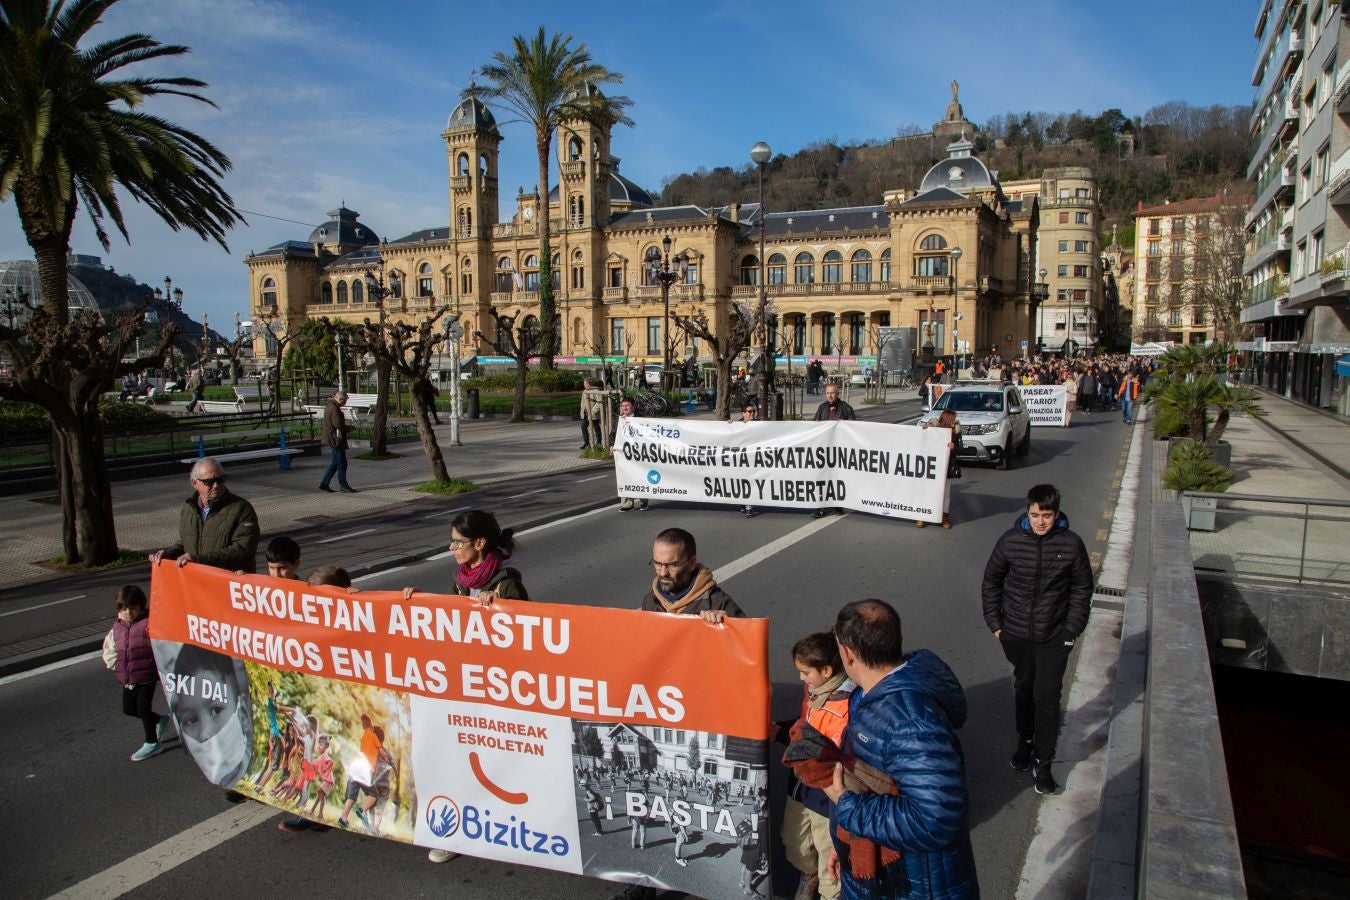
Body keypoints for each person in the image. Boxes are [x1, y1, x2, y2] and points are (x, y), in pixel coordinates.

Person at [823, 599, 979, 899]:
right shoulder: (870, 695)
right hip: (879, 872)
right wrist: (845, 844)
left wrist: (847, 806)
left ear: (848, 653)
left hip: (912, 885)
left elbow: (934, 819)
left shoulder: (912, 722)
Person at [981, 484, 1093, 795]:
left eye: (1046, 516)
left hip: (1054, 637)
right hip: (1015, 635)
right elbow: (991, 582)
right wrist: (997, 626)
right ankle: (1025, 741)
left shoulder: (1071, 545)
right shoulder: (1010, 541)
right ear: (1027, 512)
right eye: (1034, 515)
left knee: (1047, 698)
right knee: (1024, 690)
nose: (1039, 522)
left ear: (1056, 515)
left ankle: (1044, 764)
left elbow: (1082, 590)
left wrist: (1071, 631)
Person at [778, 632, 855, 900]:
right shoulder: (813, 691)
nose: (801, 678)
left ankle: (829, 893)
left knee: (827, 853)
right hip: (800, 785)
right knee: (794, 841)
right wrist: (778, 730)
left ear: (826, 670)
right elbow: (804, 728)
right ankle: (807, 875)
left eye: (805, 672)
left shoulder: (849, 705)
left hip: (825, 796)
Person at [150, 458, 260, 575]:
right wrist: (169, 554)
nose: (216, 485)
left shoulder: (241, 508)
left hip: (227, 586)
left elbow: (242, 550)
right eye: (209, 482)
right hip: (198, 584)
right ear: (194, 483)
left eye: (221, 479)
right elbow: (187, 542)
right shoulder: (188, 509)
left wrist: (198, 560)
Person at [112, 585, 170, 761]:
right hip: (129, 675)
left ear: (141, 607)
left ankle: (152, 743)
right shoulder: (118, 625)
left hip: (146, 674)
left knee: (143, 709)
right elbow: (116, 645)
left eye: (132, 608)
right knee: (128, 709)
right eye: (123, 608)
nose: (128, 612)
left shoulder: (148, 623)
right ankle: (159, 720)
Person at [641, 527, 743, 621]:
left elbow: (749, 638)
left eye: (672, 565)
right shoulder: (650, 602)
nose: (663, 573)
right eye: (658, 564)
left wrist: (727, 625)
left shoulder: (718, 604)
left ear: (692, 563)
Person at [812, 385, 856, 519]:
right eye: (827, 393)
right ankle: (819, 507)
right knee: (822, 478)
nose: (830, 396)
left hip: (839, 448)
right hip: (824, 448)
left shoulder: (846, 408)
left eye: (832, 393)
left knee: (837, 478)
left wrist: (843, 425)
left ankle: (838, 505)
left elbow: (854, 427)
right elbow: (814, 424)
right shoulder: (822, 407)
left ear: (837, 394)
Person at [918, 409, 961, 529]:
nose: (955, 422)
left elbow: (961, 448)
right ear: (948, 420)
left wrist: (954, 447)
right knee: (928, 491)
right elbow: (922, 441)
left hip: (947, 467)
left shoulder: (956, 433)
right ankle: (922, 516)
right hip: (932, 467)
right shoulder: (933, 429)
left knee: (945, 494)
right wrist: (924, 430)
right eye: (953, 419)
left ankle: (944, 518)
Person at [319, 391, 356, 493]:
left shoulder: (330, 406)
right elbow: (338, 425)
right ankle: (343, 485)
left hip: (332, 438)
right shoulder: (334, 408)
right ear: (340, 399)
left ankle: (324, 483)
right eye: (345, 401)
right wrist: (350, 428)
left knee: (336, 462)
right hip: (336, 439)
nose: (345, 403)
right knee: (341, 463)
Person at [616, 397, 648, 511]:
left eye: (627, 405)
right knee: (624, 476)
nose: (625, 408)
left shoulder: (641, 417)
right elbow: (613, 434)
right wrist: (611, 444)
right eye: (623, 406)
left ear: (633, 406)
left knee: (640, 475)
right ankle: (627, 503)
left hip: (639, 453)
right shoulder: (619, 419)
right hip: (624, 453)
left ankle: (644, 500)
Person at [736, 404, 759, 518]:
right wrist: (727, 425)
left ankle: (749, 506)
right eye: (749, 411)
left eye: (753, 411)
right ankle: (744, 503)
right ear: (743, 413)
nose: (752, 413)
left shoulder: (759, 424)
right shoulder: (737, 425)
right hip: (741, 460)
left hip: (754, 459)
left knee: (751, 481)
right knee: (743, 482)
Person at [580, 377, 605, 450]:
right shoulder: (585, 391)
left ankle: (599, 443)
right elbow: (582, 402)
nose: (584, 384)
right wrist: (582, 410)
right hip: (585, 414)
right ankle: (586, 443)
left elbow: (599, 402)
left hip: (593, 414)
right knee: (583, 427)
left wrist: (593, 411)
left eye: (585, 383)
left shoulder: (596, 390)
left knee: (596, 428)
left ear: (589, 384)